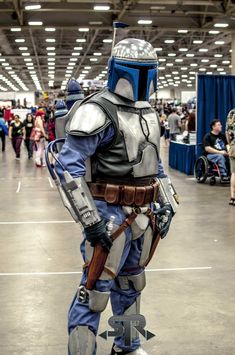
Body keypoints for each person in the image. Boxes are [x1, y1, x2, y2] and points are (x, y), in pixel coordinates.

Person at [48, 38, 178, 355]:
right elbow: (69, 166)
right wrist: (90, 220)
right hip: (108, 213)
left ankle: (127, 345)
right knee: (94, 290)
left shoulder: (147, 112)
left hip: (144, 210)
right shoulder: (96, 110)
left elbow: (155, 163)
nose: (142, 78)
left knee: (132, 285)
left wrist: (168, 202)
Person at [226, 108, 235, 206]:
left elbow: (227, 132)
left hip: (233, 147)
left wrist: (230, 144)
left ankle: (233, 197)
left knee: (234, 173)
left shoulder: (232, 112)